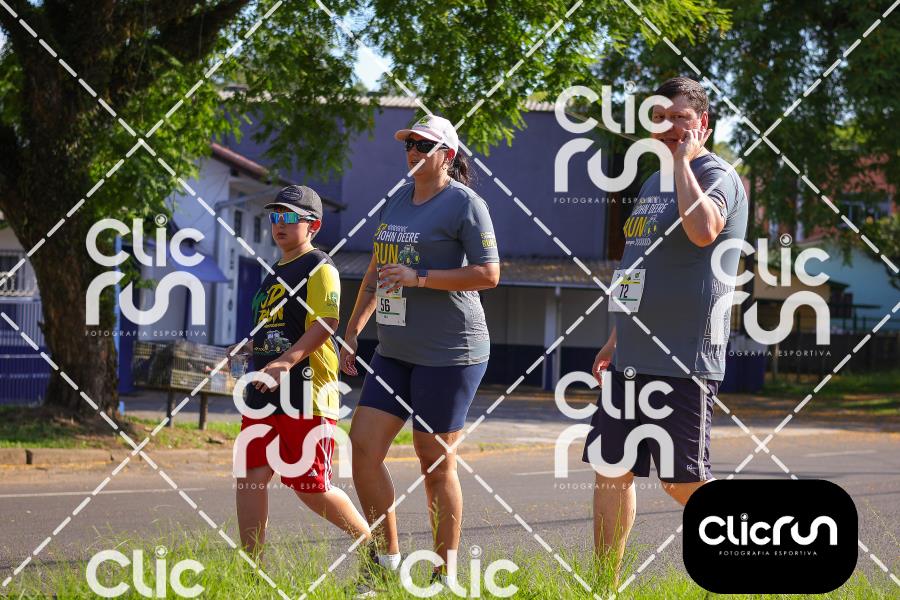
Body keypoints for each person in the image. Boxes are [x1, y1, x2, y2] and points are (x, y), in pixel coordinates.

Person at [581, 77, 748, 578]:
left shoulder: (718, 176)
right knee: (611, 468)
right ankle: (604, 584)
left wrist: (682, 162)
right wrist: (615, 337)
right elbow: (638, 264)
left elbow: (703, 231)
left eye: (680, 117)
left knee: (682, 482)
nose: (670, 126)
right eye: (661, 118)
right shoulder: (653, 183)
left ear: (703, 124)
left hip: (683, 360)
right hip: (631, 356)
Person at [339, 115, 500, 589]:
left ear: (446, 155)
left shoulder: (465, 204)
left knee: (434, 461)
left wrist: (420, 279)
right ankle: (385, 560)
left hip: (451, 352)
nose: (412, 151)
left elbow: (489, 274)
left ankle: (445, 573)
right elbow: (376, 270)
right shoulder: (396, 201)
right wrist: (353, 330)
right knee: (363, 446)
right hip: (394, 349)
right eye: (409, 143)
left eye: (423, 145)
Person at [230, 184, 371, 555]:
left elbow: (326, 322)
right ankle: (252, 573)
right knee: (249, 477)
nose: (280, 223)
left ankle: (373, 547)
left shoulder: (319, 266)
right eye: (276, 216)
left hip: (306, 392)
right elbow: (274, 327)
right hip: (263, 392)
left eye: (291, 217)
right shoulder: (273, 272)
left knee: (310, 487)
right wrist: (250, 346)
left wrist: (286, 362)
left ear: (314, 226)